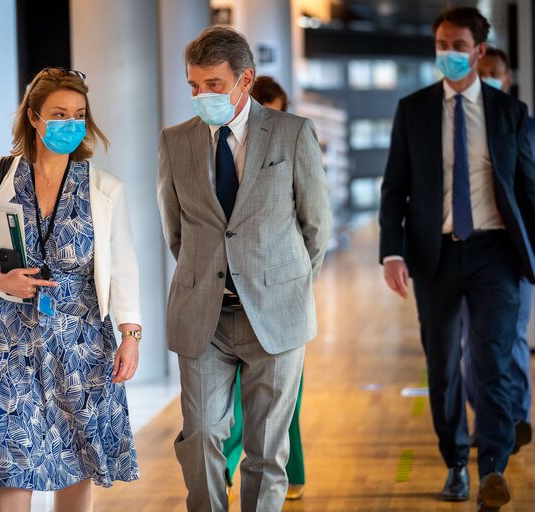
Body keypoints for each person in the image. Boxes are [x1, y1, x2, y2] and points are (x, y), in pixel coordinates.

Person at [379, 7, 535, 512]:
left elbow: (530, 191)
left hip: (495, 253)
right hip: (433, 255)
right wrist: (391, 252)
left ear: (479, 52)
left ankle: (492, 469)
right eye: (441, 43)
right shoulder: (412, 110)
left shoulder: (508, 114)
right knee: (443, 365)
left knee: (492, 362)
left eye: (458, 45)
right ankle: (456, 462)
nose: (448, 54)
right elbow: (394, 190)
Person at [157, 27, 332, 511]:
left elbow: (316, 225)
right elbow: (177, 231)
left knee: (266, 451)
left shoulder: (293, 133)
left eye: (213, 84)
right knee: (202, 439)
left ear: (245, 79)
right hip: (203, 318)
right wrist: (210, 277)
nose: (201, 95)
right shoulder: (175, 142)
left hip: (276, 314)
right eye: (194, 85)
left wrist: (284, 286)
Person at [0, 67, 142, 512]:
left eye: (79, 115)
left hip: (81, 340)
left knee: (75, 462)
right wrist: (0, 280)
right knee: (13, 463)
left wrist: (130, 335)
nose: (70, 124)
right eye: (59, 114)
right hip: (10, 338)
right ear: (35, 118)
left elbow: (124, 266)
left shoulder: (104, 188)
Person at [461, 47, 535, 452]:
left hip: (518, 254)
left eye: (495, 73)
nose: (488, 77)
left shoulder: (528, 126)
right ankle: (488, 418)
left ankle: (516, 416)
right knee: (471, 343)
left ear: (508, 80)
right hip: (468, 251)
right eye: (481, 71)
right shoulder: (458, 126)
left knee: (513, 338)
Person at [220, 75, 307, 503]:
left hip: (280, 304)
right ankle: (228, 465)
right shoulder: (219, 146)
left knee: (280, 413)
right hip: (223, 305)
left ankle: (294, 473)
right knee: (232, 408)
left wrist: (294, 283)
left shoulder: (295, 138)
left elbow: (314, 222)